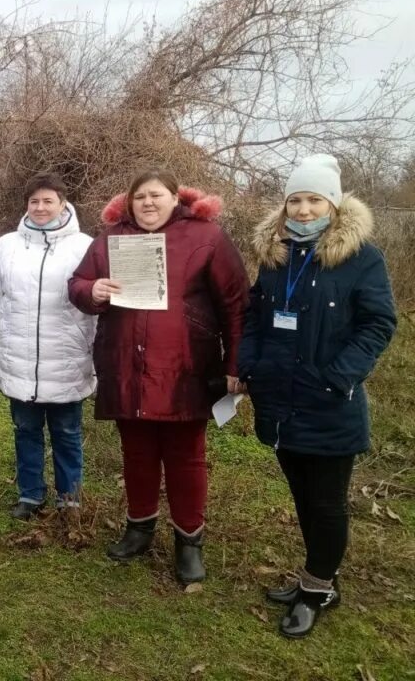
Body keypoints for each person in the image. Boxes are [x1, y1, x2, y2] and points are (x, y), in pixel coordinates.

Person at [238, 154, 396, 639]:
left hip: (329, 401)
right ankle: (317, 577)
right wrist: (250, 366)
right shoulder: (275, 255)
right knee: (303, 497)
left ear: (333, 202)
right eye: (295, 200)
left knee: (326, 503)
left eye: (313, 199)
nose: (303, 210)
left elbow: (378, 323)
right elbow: (253, 318)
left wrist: (339, 375)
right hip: (279, 399)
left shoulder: (360, 256)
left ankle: (317, 588)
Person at [68, 171, 249, 583]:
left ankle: (189, 542)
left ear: (175, 198)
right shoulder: (111, 238)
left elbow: (236, 304)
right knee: (137, 453)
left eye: (157, 196)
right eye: (140, 197)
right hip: (126, 365)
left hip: (185, 367)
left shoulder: (207, 237)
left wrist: (236, 366)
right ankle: (139, 527)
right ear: (129, 203)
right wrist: (91, 290)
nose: (148, 203)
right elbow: (77, 284)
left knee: (187, 457)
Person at [0, 173, 97, 519]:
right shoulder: (7, 245)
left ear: (63, 203)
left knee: (67, 432)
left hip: (68, 360)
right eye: (34, 201)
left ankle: (69, 498)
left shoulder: (85, 246)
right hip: (19, 360)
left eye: (48, 200)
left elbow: (99, 309)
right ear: (26, 205)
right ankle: (30, 495)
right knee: (26, 431)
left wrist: (100, 359)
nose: (41, 207)